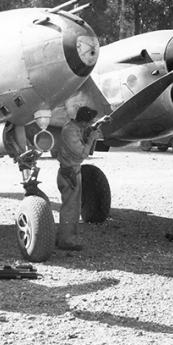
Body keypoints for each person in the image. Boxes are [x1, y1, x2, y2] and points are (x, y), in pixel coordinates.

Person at [55, 105, 108, 251]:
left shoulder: (74, 127)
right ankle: (65, 241)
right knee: (70, 209)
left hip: (71, 172)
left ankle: (62, 237)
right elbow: (83, 154)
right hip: (70, 173)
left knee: (71, 207)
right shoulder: (70, 132)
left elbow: (84, 130)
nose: (90, 125)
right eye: (90, 122)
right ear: (83, 122)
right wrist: (91, 139)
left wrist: (99, 124)